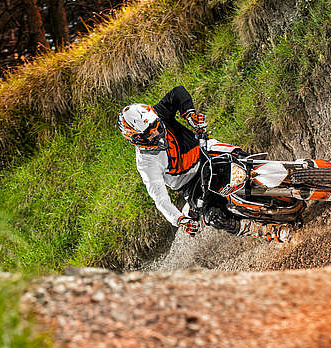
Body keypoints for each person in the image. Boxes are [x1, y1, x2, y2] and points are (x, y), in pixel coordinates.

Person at [117, 85, 291, 241]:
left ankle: (291, 172)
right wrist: (180, 220)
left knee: (244, 158)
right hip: (192, 186)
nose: (156, 132)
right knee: (214, 217)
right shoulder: (146, 164)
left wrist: (190, 114)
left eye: (156, 125)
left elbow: (178, 92)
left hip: (205, 152)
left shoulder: (159, 113)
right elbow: (160, 198)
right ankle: (266, 231)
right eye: (149, 133)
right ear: (136, 139)